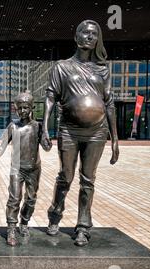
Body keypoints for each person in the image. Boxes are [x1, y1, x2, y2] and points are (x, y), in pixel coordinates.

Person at [41, 20, 119, 247]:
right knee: (66, 176)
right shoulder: (62, 67)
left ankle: (83, 226)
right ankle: (55, 212)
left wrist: (115, 139)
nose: (89, 37)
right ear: (76, 37)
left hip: (97, 132)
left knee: (88, 180)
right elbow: (50, 97)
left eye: (94, 34)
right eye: (85, 33)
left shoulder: (103, 69)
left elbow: (110, 103)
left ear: (98, 39)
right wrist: (45, 128)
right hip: (69, 130)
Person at [0, 90, 42, 246]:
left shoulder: (37, 126)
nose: (22, 111)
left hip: (33, 168)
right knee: (14, 199)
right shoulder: (13, 126)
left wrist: (46, 137)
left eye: (26, 107)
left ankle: (24, 222)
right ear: (16, 109)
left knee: (31, 199)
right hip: (17, 169)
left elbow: (46, 147)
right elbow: (2, 146)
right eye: (20, 108)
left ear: (31, 107)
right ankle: (11, 227)